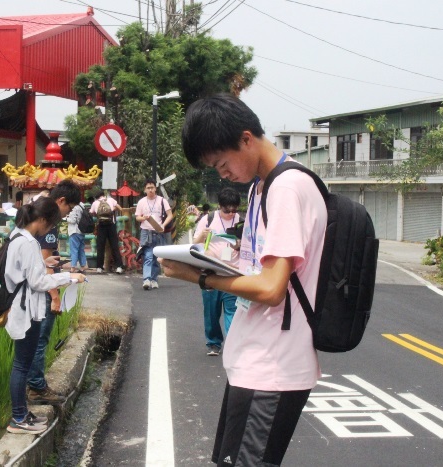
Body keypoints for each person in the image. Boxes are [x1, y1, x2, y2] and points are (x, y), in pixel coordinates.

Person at [161, 94, 326, 467]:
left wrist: (200, 277)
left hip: (273, 365)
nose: (222, 174)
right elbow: (260, 268)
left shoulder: (284, 189)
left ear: (247, 139)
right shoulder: (263, 186)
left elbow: (270, 288)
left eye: (221, 163)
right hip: (258, 359)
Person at [5, 196, 87, 434]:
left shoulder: (17, 236)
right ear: (41, 219)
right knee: (22, 365)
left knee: (22, 363)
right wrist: (70, 277)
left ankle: (22, 415)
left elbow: (25, 270)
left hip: (20, 307)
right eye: (50, 224)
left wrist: (45, 262)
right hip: (25, 310)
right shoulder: (29, 243)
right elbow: (38, 282)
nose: (50, 229)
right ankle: (18, 418)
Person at [27, 180, 83, 405]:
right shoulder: (48, 222)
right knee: (40, 340)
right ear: (60, 201)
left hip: (30, 287)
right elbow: (45, 264)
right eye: (68, 208)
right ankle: (37, 388)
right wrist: (55, 296)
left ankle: (34, 385)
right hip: (42, 290)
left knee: (32, 340)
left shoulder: (35, 212)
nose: (67, 214)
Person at [192, 187, 241, 356]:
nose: (230, 213)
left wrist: (240, 244)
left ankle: (233, 343)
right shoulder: (208, 219)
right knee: (211, 311)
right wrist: (203, 236)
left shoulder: (241, 220)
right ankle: (213, 343)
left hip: (232, 272)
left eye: (234, 209)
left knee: (233, 311)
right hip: (210, 272)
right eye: (227, 209)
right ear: (220, 206)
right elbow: (194, 243)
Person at [135, 179, 173, 290]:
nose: (150, 190)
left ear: (155, 188)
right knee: (147, 255)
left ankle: (154, 279)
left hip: (158, 231)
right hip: (146, 232)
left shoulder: (162, 200)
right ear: (145, 190)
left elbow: (169, 215)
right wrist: (144, 218)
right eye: (148, 188)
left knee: (156, 257)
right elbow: (137, 217)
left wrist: (163, 225)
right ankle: (146, 279)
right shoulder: (142, 202)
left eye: (152, 187)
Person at [90, 191, 124, 274]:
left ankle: (99, 267)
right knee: (114, 246)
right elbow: (120, 208)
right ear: (104, 195)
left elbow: (91, 212)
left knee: (100, 246)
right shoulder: (111, 200)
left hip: (101, 226)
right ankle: (119, 266)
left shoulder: (95, 203)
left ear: (97, 197)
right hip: (111, 225)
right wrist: (112, 209)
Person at [65, 201, 88, 273]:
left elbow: (73, 220)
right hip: (81, 231)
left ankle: (73, 267)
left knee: (74, 250)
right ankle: (83, 266)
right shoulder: (82, 206)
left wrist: (66, 218)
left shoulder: (74, 208)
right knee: (81, 250)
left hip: (74, 231)